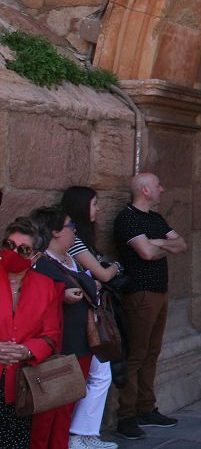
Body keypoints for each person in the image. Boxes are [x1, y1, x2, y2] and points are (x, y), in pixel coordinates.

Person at [112, 173, 187, 441]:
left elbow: (182, 245)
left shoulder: (155, 219)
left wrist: (156, 243)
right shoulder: (128, 218)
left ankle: (146, 407)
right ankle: (127, 415)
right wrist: (157, 246)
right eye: (158, 185)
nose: (162, 188)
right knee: (136, 354)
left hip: (159, 292)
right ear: (145, 190)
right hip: (141, 294)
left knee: (152, 352)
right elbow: (145, 253)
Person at [30, 205, 98, 449]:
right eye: (71, 227)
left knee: (65, 413)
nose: (75, 232)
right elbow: (30, 300)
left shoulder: (70, 260)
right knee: (46, 416)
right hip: (57, 351)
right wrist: (60, 295)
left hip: (80, 344)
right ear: (55, 232)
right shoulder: (39, 263)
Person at [61, 186, 121, 449]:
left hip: (88, 315)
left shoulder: (77, 239)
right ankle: (80, 434)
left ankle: (84, 433)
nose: (98, 209)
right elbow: (102, 275)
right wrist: (117, 267)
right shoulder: (73, 241)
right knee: (97, 373)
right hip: (80, 319)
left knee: (99, 373)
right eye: (95, 204)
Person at [1, 217, 63, 449]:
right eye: (9, 245)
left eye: (23, 249)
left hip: (22, 385)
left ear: (35, 256)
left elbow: (52, 335)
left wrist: (25, 350)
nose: (14, 252)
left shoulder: (46, 286)